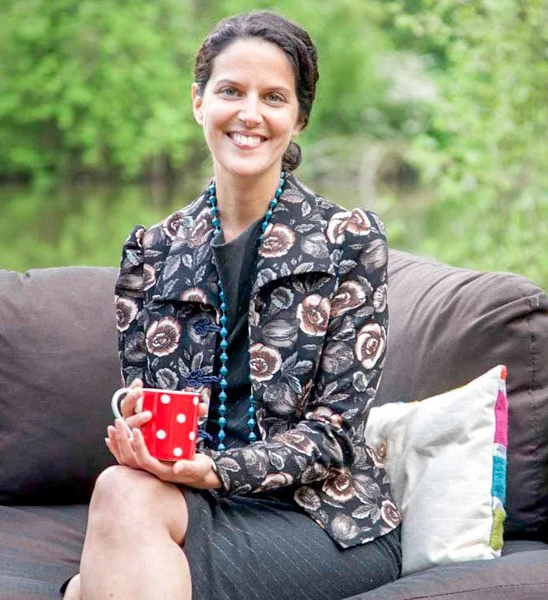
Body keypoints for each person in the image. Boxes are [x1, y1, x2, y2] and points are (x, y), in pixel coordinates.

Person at [63, 11, 400, 600]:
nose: (250, 114)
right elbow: (150, 400)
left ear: (299, 117)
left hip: (320, 518)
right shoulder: (151, 251)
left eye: (273, 97)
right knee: (120, 485)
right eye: (230, 91)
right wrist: (140, 433)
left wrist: (217, 470)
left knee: (106, 566)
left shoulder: (350, 241)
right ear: (199, 102)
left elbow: (337, 434)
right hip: (192, 500)